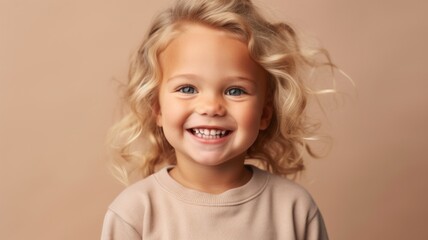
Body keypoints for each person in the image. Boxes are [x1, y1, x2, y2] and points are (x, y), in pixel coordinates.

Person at [102, 0, 335, 239]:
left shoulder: (294, 210)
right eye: (188, 88)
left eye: (235, 91)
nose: (211, 107)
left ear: (264, 113)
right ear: (158, 108)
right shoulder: (134, 214)